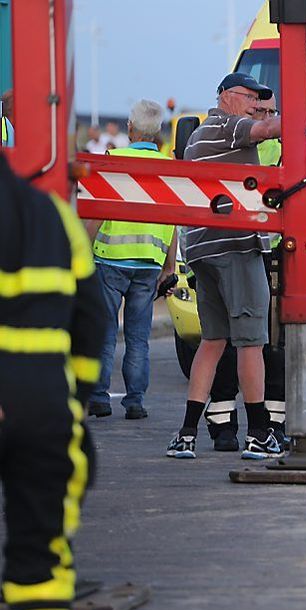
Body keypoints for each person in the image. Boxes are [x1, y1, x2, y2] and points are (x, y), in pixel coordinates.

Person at [0, 153, 105, 610]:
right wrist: (75, 400)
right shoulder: (53, 214)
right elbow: (92, 319)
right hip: (44, 403)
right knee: (40, 561)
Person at [167, 72, 284, 460]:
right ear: (223, 96)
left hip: (203, 248)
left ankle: (186, 434)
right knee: (252, 341)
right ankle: (260, 434)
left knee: (213, 341)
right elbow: (267, 129)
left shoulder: (200, 135)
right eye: (247, 95)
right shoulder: (228, 126)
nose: (253, 101)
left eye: (258, 98)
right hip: (236, 245)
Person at [201, 92, 286, 453]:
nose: (259, 111)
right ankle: (229, 426)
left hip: (271, 247)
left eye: (267, 109)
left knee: (269, 343)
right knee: (242, 342)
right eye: (254, 103)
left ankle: (271, 425)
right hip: (239, 244)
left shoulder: (280, 142)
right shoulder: (239, 131)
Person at [84, 99, 177, 420]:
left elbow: (96, 214)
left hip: (111, 259)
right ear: (157, 132)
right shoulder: (168, 167)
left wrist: (84, 250)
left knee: (106, 332)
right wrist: (169, 266)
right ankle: (134, 402)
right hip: (149, 262)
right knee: (138, 338)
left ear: (130, 128)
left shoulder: (113, 161)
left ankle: (98, 398)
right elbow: (173, 220)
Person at [255, 95, 282, 166]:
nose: (267, 118)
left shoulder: (284, 151)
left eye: (271, 112)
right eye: (260, 111)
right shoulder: (234, 142)